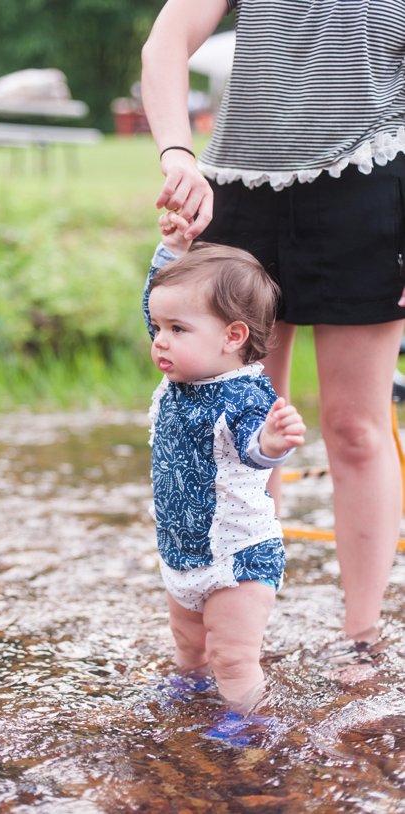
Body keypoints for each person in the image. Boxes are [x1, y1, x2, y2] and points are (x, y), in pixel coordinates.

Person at [141, 0, 405, 651]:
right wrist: (178, 153)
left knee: (355, 427)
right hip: (239, 193)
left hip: (369, 185)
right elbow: (167, 41)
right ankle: (248, 629)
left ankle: (361, 641)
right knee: (245, 423)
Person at [145, 211, 307, 716]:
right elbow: (159, 297)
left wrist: (273, 442)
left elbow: (253, 450)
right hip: (182, 552)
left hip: (238, 558)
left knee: (232, 657)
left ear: (233, 336)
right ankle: (191, 700)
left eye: (175, 329)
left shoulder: (244, 394)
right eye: (156, 327)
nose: (159, 340)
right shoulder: (182, 371)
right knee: (189, 646)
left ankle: (249, 727)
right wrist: (172, 250)